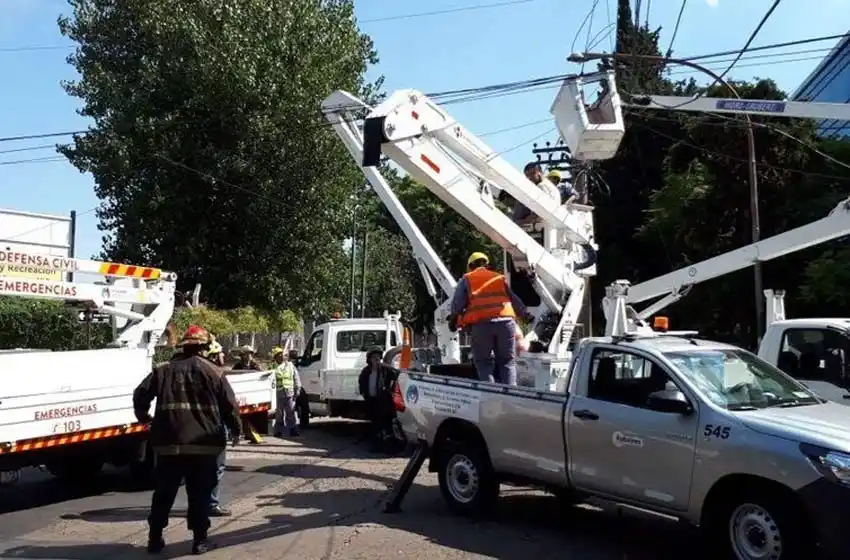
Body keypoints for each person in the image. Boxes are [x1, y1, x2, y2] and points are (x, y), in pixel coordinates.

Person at [133, 325, 241, 555]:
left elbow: (140, 394)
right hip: (204, 446)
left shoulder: (162, 370)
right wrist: (236, 430)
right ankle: (200, 540)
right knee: (200, 494)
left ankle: (154, 539)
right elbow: (230, 406)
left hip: (168, 444)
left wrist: (145, 417)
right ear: (203, 347)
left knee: (164, 492)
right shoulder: (214, 371)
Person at [449, 252, 530, 385]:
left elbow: (458, 304)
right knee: (507, 362)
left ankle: (491, 393)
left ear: (470, 266)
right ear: (487, 264)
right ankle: (511, 394)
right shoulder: (498, 278)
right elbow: (513, 299)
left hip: (482, 325)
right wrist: (524, 314)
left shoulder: (467, 278)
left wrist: (453, 320)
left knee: (484, 362)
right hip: (506, 324)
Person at [202, 335, 231, 518]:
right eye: (220, 354)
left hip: (198, 429)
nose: (223, 358)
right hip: (215, 429)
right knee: (216, 468)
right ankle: (211, 504)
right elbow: (229, 404)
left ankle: (201, 503)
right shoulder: (216, 375)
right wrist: (235, 428)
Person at [357, 348, 398, 452]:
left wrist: (390, 391)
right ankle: (376, 447)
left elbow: (397, 376)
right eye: (374, 357)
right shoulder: (366, 371)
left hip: (384, 403)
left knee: (387, 426)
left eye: (378, 357)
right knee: (375, 426)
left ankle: (389, 448)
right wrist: (364, 394)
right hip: (372, 402)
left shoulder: (385, 369)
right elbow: (361, 383)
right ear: (369, 359)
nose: (377, 359)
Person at [270, 346, 302, 437]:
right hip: (278, 393)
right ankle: (278, 431)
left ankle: (292, 430)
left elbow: (296, 378)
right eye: (278, 355)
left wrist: (298, 389)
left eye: (282, 354)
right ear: (275, 357)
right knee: (279, 414)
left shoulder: (290, 365)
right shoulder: (272, 366)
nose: (281, 356)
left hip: (289, 393)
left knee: (291, 412)